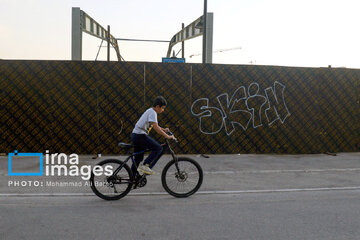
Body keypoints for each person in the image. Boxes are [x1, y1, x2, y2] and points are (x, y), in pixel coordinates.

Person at [131, 96, 176, 175]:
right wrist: (167, 136)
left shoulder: (150, 111)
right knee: (158, 148)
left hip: (136, 135)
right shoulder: (152, 112)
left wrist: (163, 129)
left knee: (138, 159)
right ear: (157, 106)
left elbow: (155, 125)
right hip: (139, 136)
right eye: (162, 108)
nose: (163, 110)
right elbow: (156, 128)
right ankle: (145, 166)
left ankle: (132, 177)